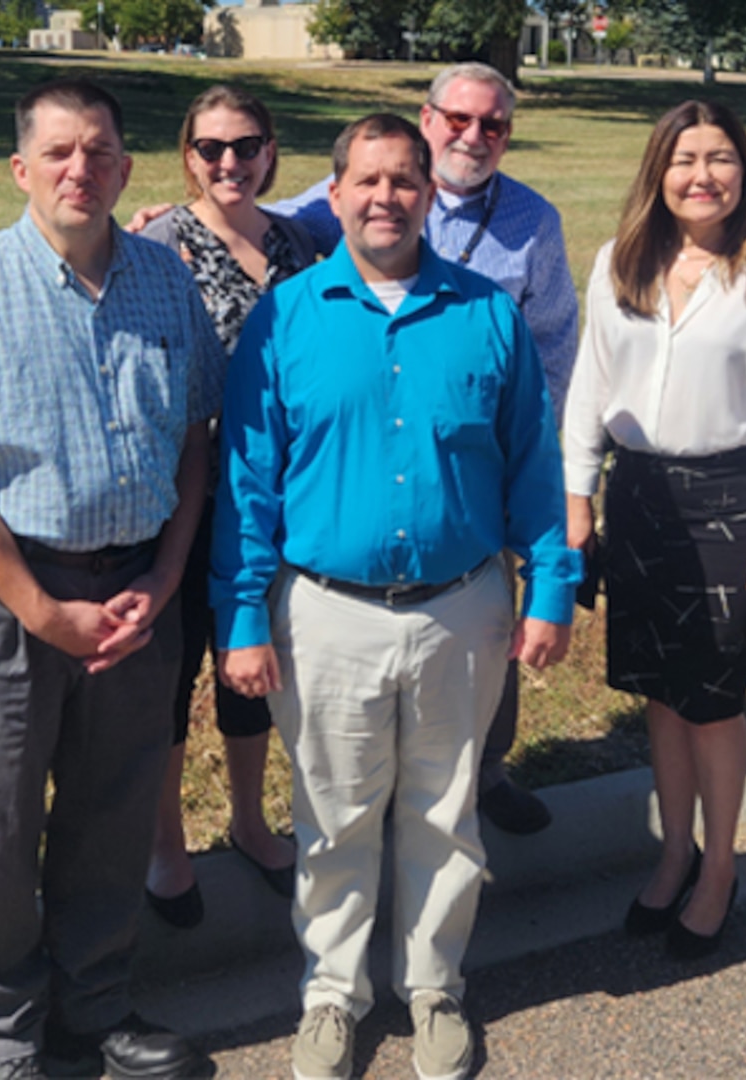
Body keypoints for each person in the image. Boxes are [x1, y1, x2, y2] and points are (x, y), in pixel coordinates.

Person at [212, 113, 581, 1080]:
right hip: (323, 612)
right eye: (366, 181)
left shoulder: (484, 313)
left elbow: (531, 466)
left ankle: (434, 989)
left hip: (461, 605)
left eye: (404, 181)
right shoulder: (286, 316)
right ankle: (332, 995)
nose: (385, 197)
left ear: (429, 195)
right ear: (332, 197)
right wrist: (243, 615)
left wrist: (551, 586)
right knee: (333, 817)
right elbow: (248, 480)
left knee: (443, 811)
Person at [135, 62, 579, 834]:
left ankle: (481, 775)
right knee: (218, 684)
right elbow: (254, 208)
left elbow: (554, 353)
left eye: (493, 124)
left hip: (459, 469)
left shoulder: (529, 225)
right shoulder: (271, 239)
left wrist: (544, 534)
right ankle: (189, 843)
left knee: (462, 719)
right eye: (457, 119)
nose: (473, 135)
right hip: (256, 486)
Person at [0, 77, 225, 1080]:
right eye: (56, 153)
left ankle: (95, 1004)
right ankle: (5, 1033)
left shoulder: (167, 282)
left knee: (112, 809)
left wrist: (167, 579)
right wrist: (42, 610)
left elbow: (194, 439)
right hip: (12, 599)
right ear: (20, 170)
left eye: (97, 152)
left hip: (135, 593)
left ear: (126, 168)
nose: (78, 169)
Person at [564, 100, 746, 962]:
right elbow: (586, 390)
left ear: (744, 173)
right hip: (637, 495)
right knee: (659, 693)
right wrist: (578, 499)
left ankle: (719, 868)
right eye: (685, 159)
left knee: (712, 700)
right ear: (658, 171)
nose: (702, 175)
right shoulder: (619, 263)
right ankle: (672, 851)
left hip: (734, 499)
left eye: (721, 158)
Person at [137, 84, 316, 927]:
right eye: (209, 148)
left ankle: (248, 819)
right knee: (172, 671)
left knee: (254, 662)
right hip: (182, 491)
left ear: (271, 150)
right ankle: (166, 845)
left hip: (279, 490)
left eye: (245, 146)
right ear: (187, 157)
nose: (228, 163)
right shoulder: (157, 243)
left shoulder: (302, 242)